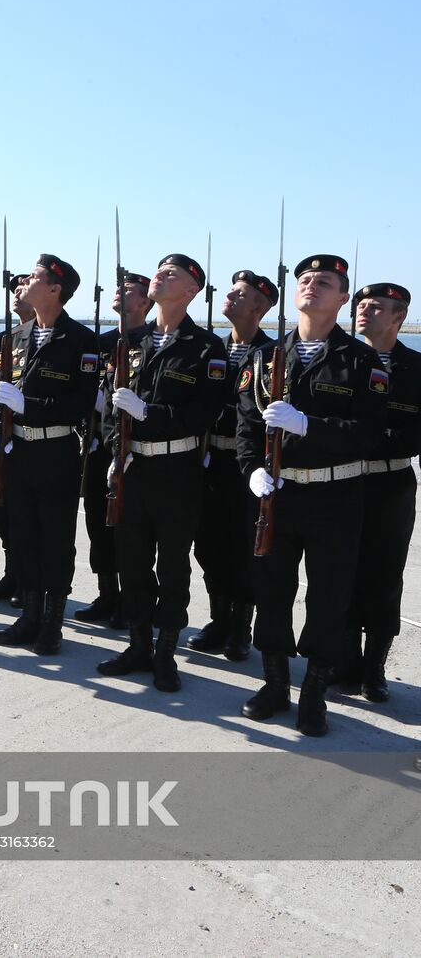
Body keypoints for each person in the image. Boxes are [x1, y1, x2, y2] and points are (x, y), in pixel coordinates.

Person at [236, 253, 385, 737]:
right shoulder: (265, 357)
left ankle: (315, 692)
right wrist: (253, 471)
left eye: (324, 282)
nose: (310, 287)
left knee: (328, 598)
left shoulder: (362, 361)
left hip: (335, 497)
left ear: (343, 298)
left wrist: (309, 425)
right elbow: (245, 426)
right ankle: (275, 684)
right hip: (277, 496)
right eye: (304, 280)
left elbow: (370, 431)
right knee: (272, 591)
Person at [97, 254, 229, 691]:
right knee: (131, 561)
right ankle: (137, 643)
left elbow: (202, 413)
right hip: (132, 467)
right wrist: (117, 449)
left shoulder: (205, 348)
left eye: (174, 274)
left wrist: (149, 412)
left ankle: (166, 650)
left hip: (176, 469)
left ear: (192, 291)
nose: (160, 275)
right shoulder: (129, 341)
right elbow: (110, 407)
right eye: (159, 270)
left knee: (173, 566)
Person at [0, 255, 97, 655]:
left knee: (55, 537)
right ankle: (28, 615)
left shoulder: (82, 341)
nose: (25, 283)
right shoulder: (15, 337)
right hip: (17, 450)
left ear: (54, 288)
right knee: (22, 535)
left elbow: (80, 403)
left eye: (34, 278)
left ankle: (52, 621)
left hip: (56, 450)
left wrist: (28, 405)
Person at [186, 270, 276, 660]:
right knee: (207, 544)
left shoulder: (272, 355)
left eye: (241, 295)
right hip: (209, 458)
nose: (230, 297)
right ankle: (218, 619)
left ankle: (240, 626)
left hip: (248, 468)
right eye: (230, 291)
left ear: (260, 306)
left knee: (244, 547)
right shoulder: (211, 349)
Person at [338, 282, 418, 703]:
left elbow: (415, 434)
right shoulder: (344, 361)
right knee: (341, 571)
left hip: (390, 484)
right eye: (362, 305)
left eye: (376, 307)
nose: (365, 312)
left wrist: (365, 438)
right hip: (344, 478)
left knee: (384, 576)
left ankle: (375, 669)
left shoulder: (416, 369)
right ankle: (346, 662)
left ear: (398, 317)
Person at [74, 271, 150, 627]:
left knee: (130, 528)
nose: (120, 293)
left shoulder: (150, 341)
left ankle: (133, 600)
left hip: (135, 447)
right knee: (97, 522)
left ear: (146, 302)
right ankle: (107, 593)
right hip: (98, 445)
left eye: (130, 290)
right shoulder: (98, 342)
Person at [0, 272, 32, 604]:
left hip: (30, 435)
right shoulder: (4, 338)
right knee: (3, 511)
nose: (16, 293)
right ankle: (11, 572)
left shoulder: (41, 337)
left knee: (26, 514)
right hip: (0, 433)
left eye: (23, 288)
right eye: (13, 289)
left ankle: (27, 578)